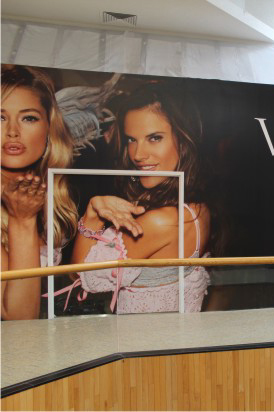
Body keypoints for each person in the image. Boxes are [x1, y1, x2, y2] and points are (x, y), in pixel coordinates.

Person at [71, 82, 212, 314]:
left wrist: (91, 215)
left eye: (154, 138)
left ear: (183, 139)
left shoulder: (161, 221)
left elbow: (79, 276)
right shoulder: (196, 209)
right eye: (131, 139)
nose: (138, 154)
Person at [1, 64, 77, 320]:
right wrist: (22, 220)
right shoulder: (23, 209)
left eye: (29, 118)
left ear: (49, 128)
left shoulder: (56, 195)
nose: (12, 131)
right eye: (0, 117)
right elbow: (20, 319)